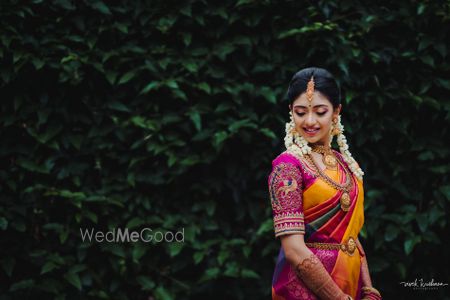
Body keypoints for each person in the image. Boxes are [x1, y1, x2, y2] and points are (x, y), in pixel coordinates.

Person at [268, 67, 382, 300]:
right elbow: (294, 250)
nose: (310, 121)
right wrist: (338, 298)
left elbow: (352, 237)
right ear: (291, 111)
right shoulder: (288, 166)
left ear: (336, 112)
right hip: (303, 290)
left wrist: (368, 289)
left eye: (320, 112)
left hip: (350, 283)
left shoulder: (346, 164)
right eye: (301, 112)